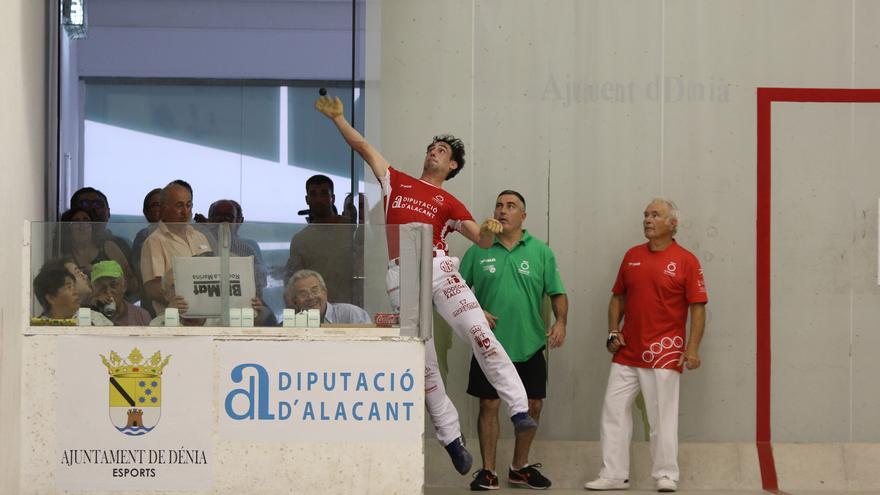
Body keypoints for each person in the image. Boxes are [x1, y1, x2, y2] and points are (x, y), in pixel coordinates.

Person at [316, 93, 536, 476]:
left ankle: (519, 409)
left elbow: (482, 241)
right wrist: (338, 119)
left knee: (480, 332)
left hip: (440, 268)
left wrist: (487, 228)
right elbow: (363, 147)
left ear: (452, 166)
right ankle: (451, 438)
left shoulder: (449, 201)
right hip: (403, 274)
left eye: (442, 151)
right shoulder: (395, 180)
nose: (434, 152)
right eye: (432, 147)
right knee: (426, 361)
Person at [584, 198, 708, 493]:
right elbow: (618, 297)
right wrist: (613, 331)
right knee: (613, 411)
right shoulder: (631, 256)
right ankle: (614, 474)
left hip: (665, 353)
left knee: (661, 417)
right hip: (627, 352)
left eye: (655, 215)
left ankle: (666, 475)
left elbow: (698, 307)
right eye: (646, 215)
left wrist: (692, 348)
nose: (648, 220)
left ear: (673, 223)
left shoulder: (686, 260)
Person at [459, 190, 568, 490]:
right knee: (489, 404)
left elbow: (557, 292)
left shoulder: (540, 252)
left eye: (511, 206)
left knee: (533, 406)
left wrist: (561, 321)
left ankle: (519, 468)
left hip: (530, 343)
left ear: (523, 215)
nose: (503, 210)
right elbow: (454, 291)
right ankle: (488, 471)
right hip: (489, 346)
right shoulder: (478, 249)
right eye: (499, 205)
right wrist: (476, 309)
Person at [285, 175, 362, 305]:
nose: (319, 199)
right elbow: (297, 283)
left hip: (354, 306)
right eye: (313, 194)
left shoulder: (352, 229)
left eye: (324, 193)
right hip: (319, 309)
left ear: (333, 198)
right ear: (307, 199)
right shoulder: (300, 240)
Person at [140, 180, 212, 314]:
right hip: (175, 319)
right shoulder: (154, 241)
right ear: (164, 208)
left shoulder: (200, 237)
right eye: (179, 205)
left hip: (206, 317)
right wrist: (175, 299)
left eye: (188, 205)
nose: (185, 211)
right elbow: (152, 288)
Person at [58, 207, 140, 299]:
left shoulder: (109, 247)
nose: (82, 225)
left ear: (92, 226)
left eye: (86, 220)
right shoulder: (64, 255)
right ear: (68, 228)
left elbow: (132, 282)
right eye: (76, 221)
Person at [205, 199, 268, 294]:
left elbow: (260, 283)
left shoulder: (246, 250)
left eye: (228, 217)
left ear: (237, 221)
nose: (223, 221)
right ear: (209, 220)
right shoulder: (198, 245)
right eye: (216, 216)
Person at [32, 263, 112, 325]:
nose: (75, 292)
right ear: (51, 298)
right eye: (69, 287)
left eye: (74, 286)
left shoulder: (94, 318)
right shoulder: (39, 328)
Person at [285, 269, 370, 325]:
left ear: (325, 293)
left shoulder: (352, 314)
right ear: (295, 301)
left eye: (314, 290)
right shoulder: (292, 324)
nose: (310, 297)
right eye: (303, 294)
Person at [70, 186, 133, 259]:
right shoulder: (61, 243)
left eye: (98, 204)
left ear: (108, 212)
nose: (92, 208)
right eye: (85, 204)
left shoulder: (121, 244)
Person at [89, 260, 152, 326]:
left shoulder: (141, 316)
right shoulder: (87, 314)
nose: (108, 292)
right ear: (93, 289)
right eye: (101, 287)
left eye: (113, 285)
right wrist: (95, 308)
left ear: (124, 286)